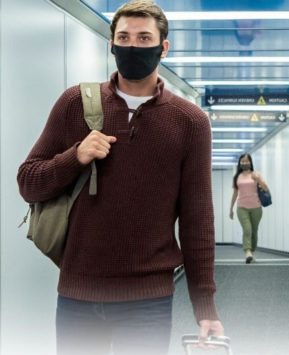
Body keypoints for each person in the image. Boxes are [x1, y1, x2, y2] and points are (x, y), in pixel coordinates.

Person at [16, 1, 224, 354]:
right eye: (124, 37)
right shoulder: (74, 104)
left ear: (164, 47)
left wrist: (205, 307)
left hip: (148, 300)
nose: (133, 47)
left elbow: (197, 219)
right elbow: (28, 181)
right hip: (77, 295)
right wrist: (75, 156)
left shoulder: (189, 122)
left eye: (145, 38)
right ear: (111, 44)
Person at [229, 153, 270, 263]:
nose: (245, 163)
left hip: (256, 207)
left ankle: (251, 253)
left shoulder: (256, 174)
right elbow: (235, 193)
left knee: (254, 232)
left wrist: (258, 179)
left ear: (250, 162)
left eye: (247, 161)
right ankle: (247, 251)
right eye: (242, 161)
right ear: (240, 163)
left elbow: (265, 188)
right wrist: (231, 209)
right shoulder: (237, 177)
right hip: (242, 207)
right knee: (247, 229)